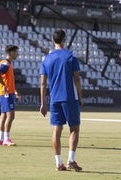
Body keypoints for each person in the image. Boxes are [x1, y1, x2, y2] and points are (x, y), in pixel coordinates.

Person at [40, 29, 83, 171]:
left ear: (53, 40)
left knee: (56, 129)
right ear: (64, 39)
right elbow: (76, 78)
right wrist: (80, 96)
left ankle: (58, 163)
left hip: (54, 98)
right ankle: (71, 160)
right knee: (74, 128)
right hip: (70, 96)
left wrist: (42, 103)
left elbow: (42, 83)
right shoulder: (71, 56)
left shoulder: (46, 58)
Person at [0, 45, 20, 146]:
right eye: (16, 52)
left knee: (4, 115)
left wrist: (14, 91)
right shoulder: (5, 63)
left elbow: (7, 79)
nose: (17, 54)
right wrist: (4, 86)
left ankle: (1, 139)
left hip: (5, 92)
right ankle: (6, 138)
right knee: (11, 115)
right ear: (11, 52)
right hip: (6, 93)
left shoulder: (7, 63)